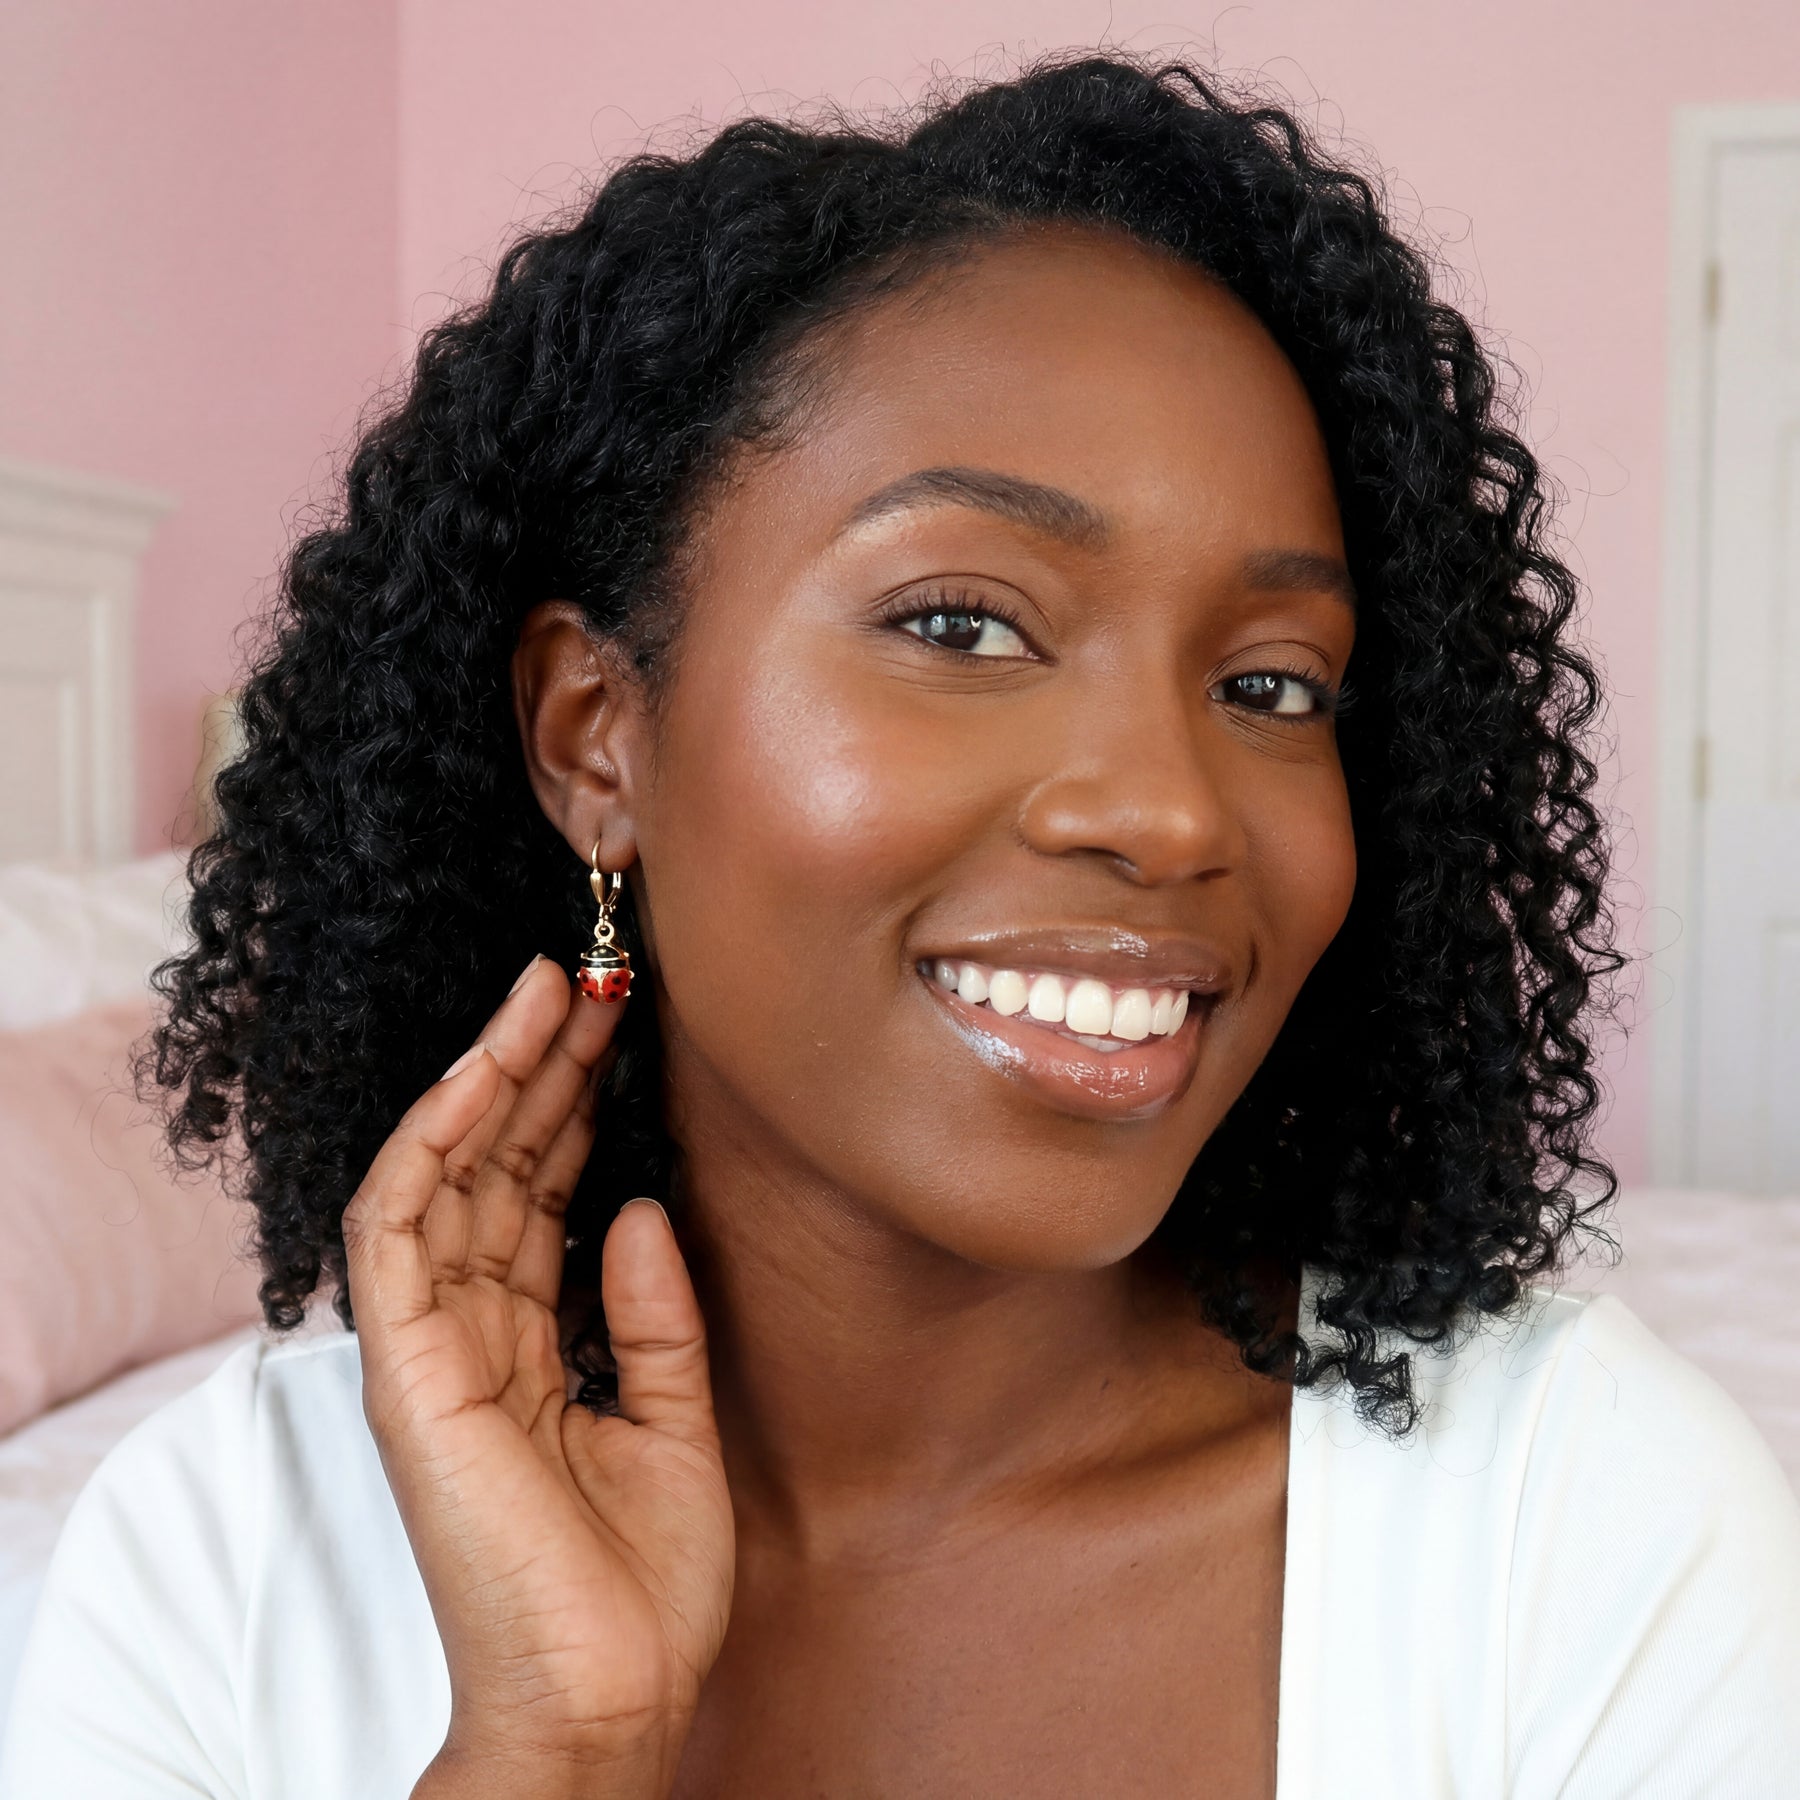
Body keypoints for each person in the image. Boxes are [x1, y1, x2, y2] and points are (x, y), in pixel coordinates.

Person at [4, 53, 1797, 1800]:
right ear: (595, 738)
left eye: (1271, 684)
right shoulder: (221, 1572)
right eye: (962, 627)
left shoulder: (1588, 1534)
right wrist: (553, 1746)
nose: (1172, 812)